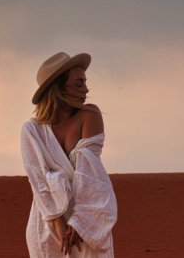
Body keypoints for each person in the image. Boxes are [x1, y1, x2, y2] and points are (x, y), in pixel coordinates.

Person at [21, 52, 117, 257]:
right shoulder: (32, 131)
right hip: (47, 221)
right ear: (58, 88)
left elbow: (89, 174)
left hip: (87, 219)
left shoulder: (89, 114)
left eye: (84, 83)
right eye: (79, 83)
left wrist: (80, 221)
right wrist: (58, 222)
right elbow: (38, 180)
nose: (86, 89)